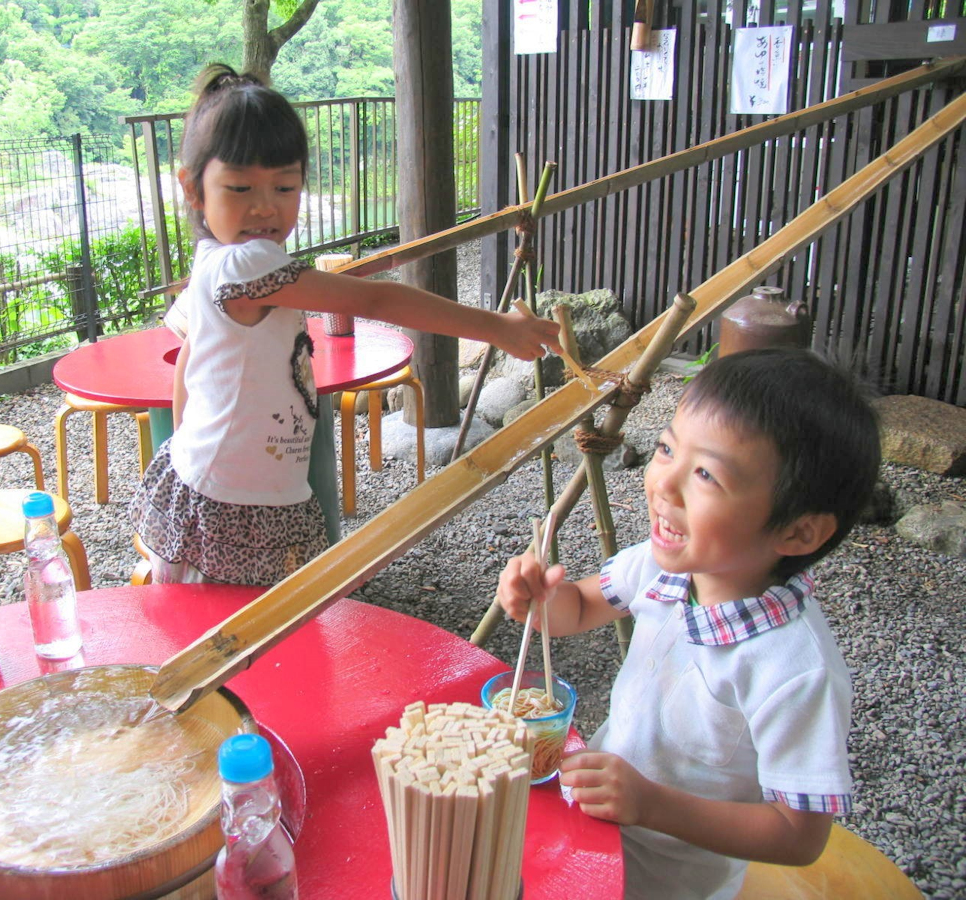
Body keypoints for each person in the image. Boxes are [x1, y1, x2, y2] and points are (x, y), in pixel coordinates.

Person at [131, 64, 560, 586]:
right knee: (243, 647)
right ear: (194, 190)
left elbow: (189, 367)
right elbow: (375, 298)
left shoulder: (212, 259)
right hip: (230, 506)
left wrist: (185, 450)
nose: (265, 206)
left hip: (226, 488)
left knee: (237, 645)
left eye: (284, 187)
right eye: (240, 188)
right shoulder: (241, 266)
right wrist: (497, 327)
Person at [497, 347, 880, 900]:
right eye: (665, 448)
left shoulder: (793, 670)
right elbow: (576, 609)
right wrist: (536, 600)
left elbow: (800, 835)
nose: (662, 484)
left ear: (798, 533)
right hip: (592, 816)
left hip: (671, 881)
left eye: (705, 473)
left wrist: (652, 804)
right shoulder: (663, 566)